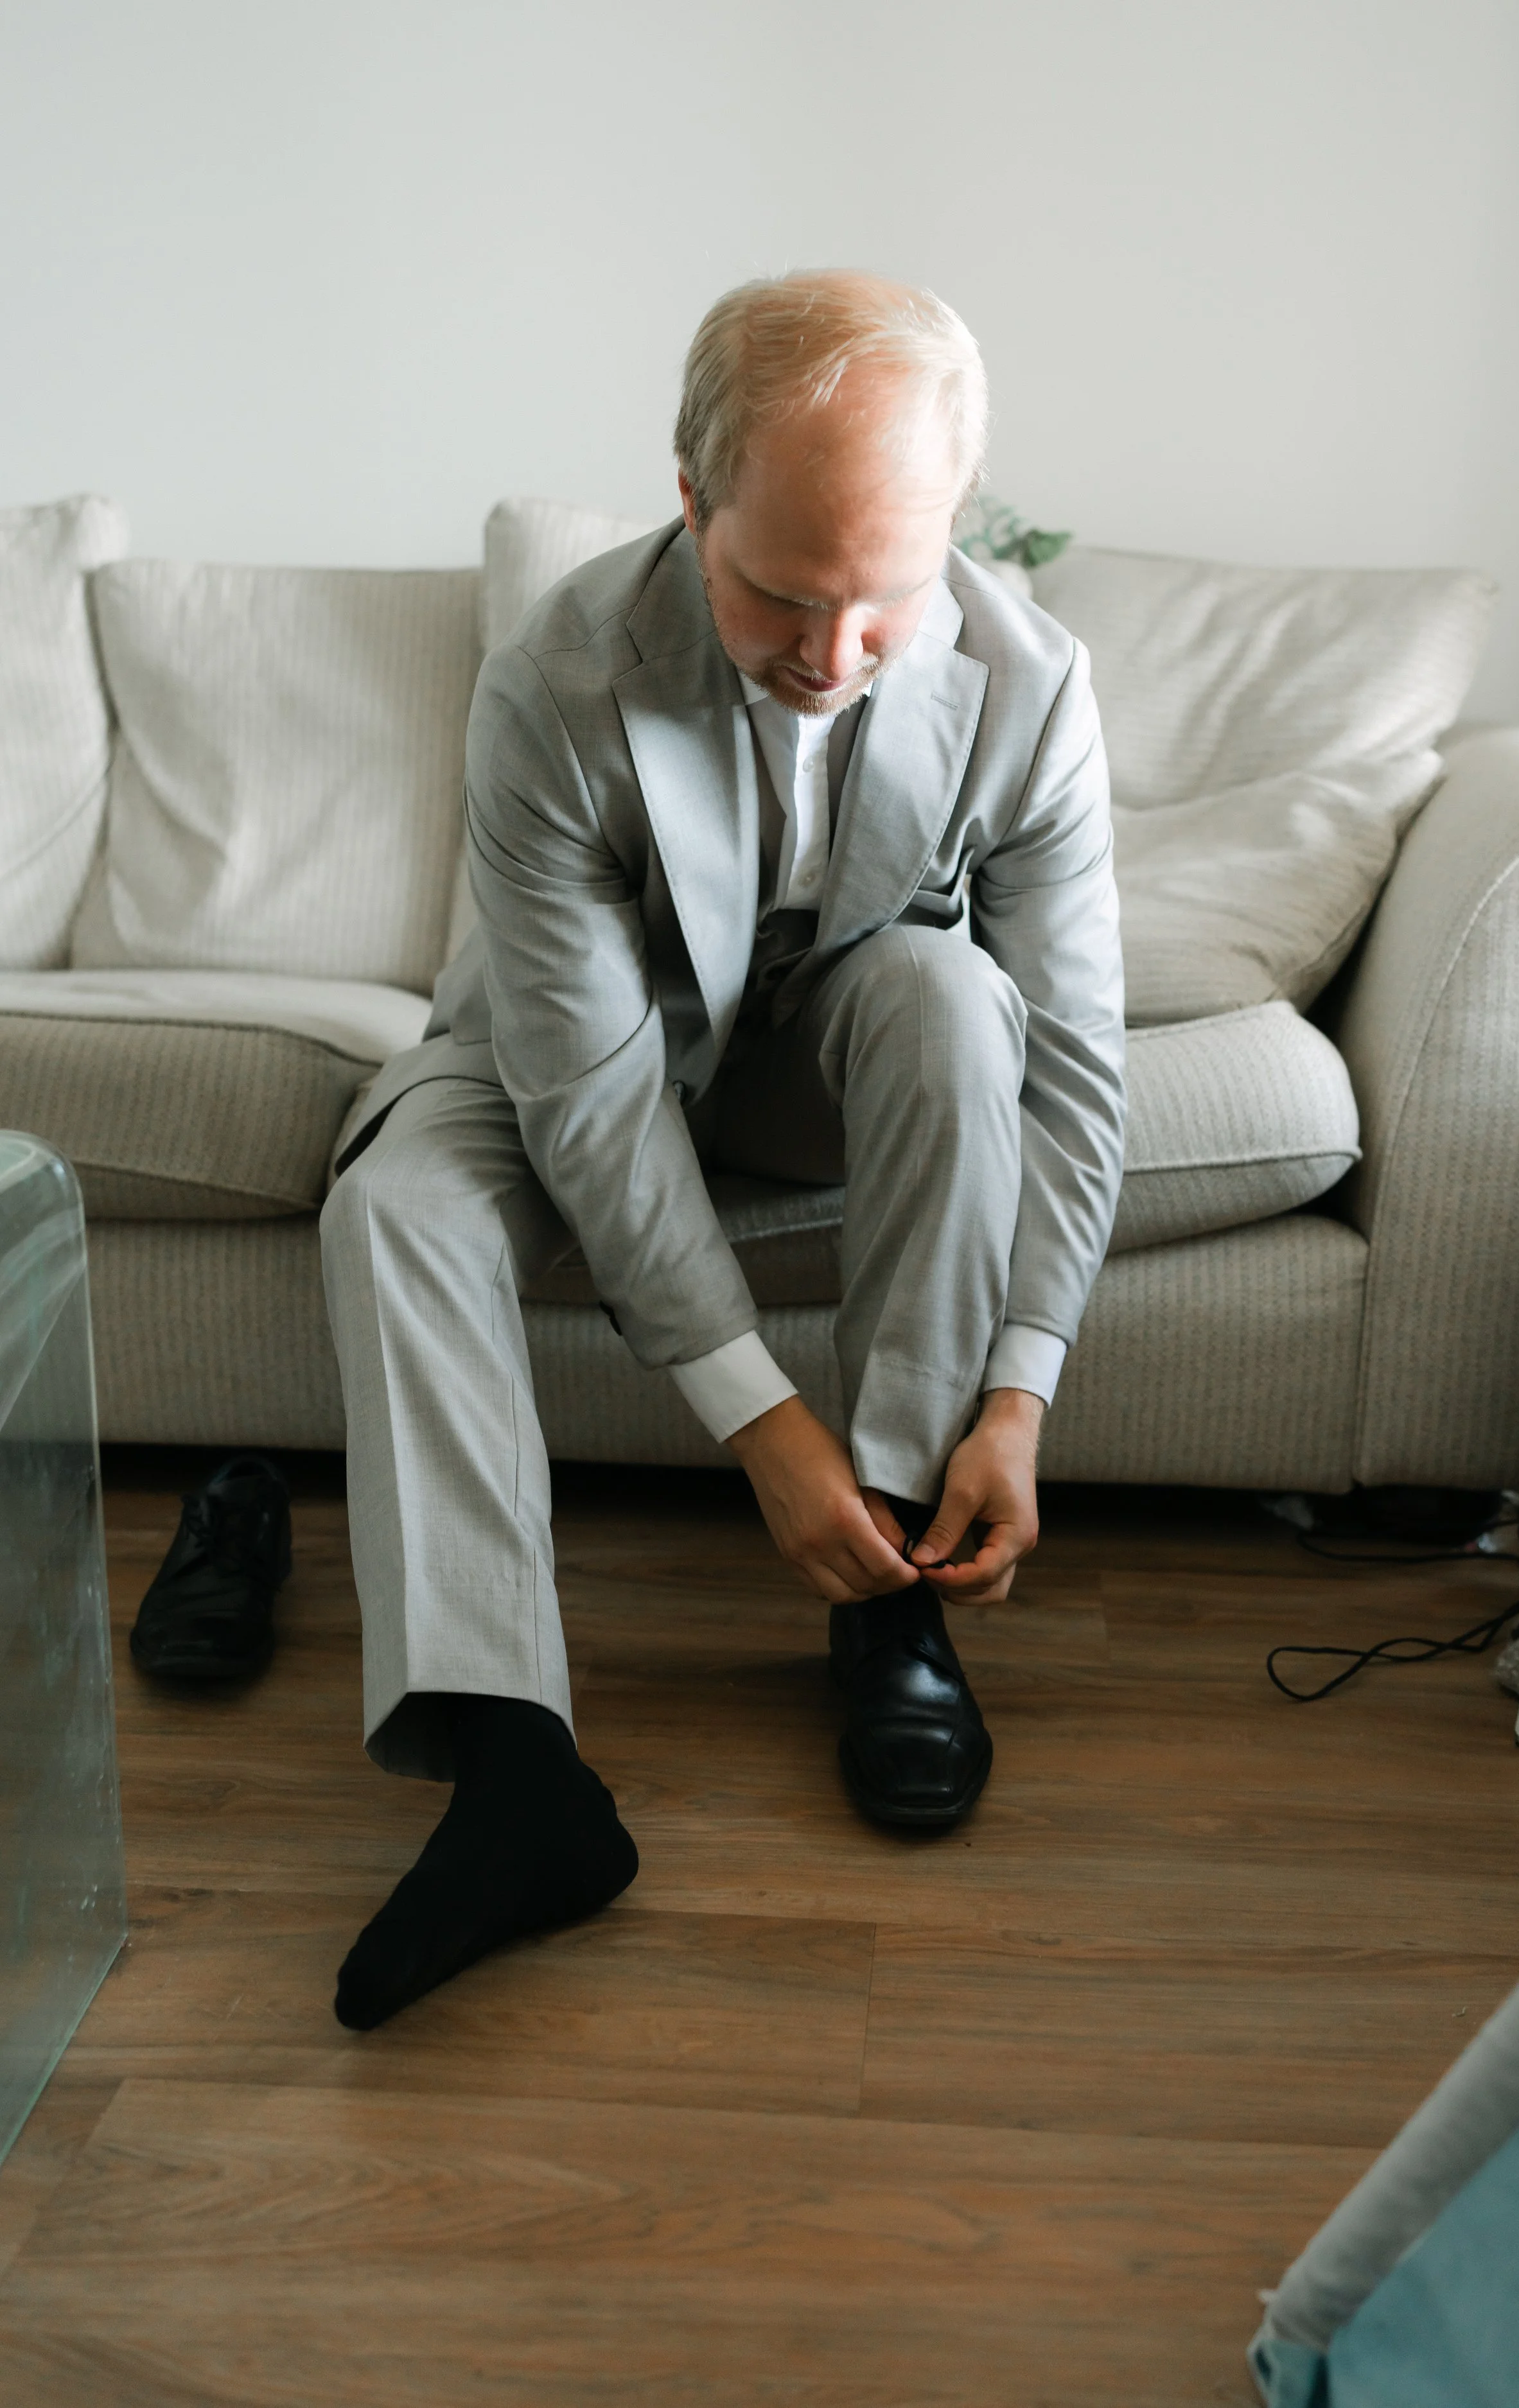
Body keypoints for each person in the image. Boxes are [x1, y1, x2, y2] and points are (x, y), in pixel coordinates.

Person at [319, 270, 1126, 2030]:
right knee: (391, 1201)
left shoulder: (1031, 689)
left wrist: (1018, 1396)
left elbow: (1070, 1064)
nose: (830, 659)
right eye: (779, 592)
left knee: (949, 998)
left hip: (818, 1053)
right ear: (690, 496)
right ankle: (512, 1768)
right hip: (562, 1049)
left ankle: (894, 1599)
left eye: (884, 603)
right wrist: (759, 1422)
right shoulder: (556, 684)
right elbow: (593, 1099)